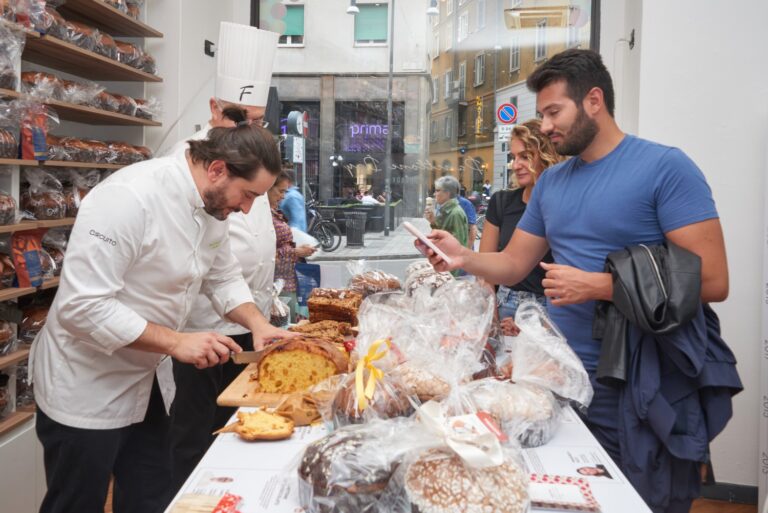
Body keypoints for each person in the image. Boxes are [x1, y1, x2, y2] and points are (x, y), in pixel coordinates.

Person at [418, 49, 728, 513]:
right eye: (542, 114)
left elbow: (714, 280)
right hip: (557, 385)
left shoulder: (665, 168)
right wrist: (463, 257)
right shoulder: (553, 183)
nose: (545, 126)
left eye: (553, 111)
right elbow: (514, 264)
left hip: (639, 386)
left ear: (594, 100)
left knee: (644, 501)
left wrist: (601, 286)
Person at [30, 124, 292, 513]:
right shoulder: (129, 198)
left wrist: (258, 323)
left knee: (151, 494)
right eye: (249, 195)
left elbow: (222, 276)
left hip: (141, 377)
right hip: (85, 382)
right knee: (77, 501)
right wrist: (176, 342)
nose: (247, 208)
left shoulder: (212, 206)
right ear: (218, 169)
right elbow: (81, 307)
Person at [168, 22, 282, 497]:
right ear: (214, 108)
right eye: (238, 116)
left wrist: (262, 316)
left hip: (246, 315)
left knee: (239, 429)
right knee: (194, 436)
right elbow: (206, 264)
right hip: (201, 327)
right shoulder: (189, 165)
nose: (246, 128)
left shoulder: (252, 158)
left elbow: (241, 249)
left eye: (255, 119)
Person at [479, 119, 565, 335]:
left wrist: (541, 326)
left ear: (547, 155)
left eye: (525, 156)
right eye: (514, 157)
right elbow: (486, 271)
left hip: (553, 312)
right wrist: (492, 319)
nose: (515, 165)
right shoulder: (502, 202)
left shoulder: (565, 203)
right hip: (506, 306)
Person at [271, 171, 317, 321]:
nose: (283, 196)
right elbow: (267, 252)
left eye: (285, 191)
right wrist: (296, 251)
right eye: (281, 191)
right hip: (279, 283)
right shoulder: (264, 215)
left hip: (287, 280)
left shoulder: (274, 212)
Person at [425, 175, 468, 249]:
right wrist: (432, 221)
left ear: (447, 193)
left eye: (437, 190)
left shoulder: (455, 213)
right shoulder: (446, 210)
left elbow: (458, 245)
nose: (434, 194)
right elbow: (442, 233)